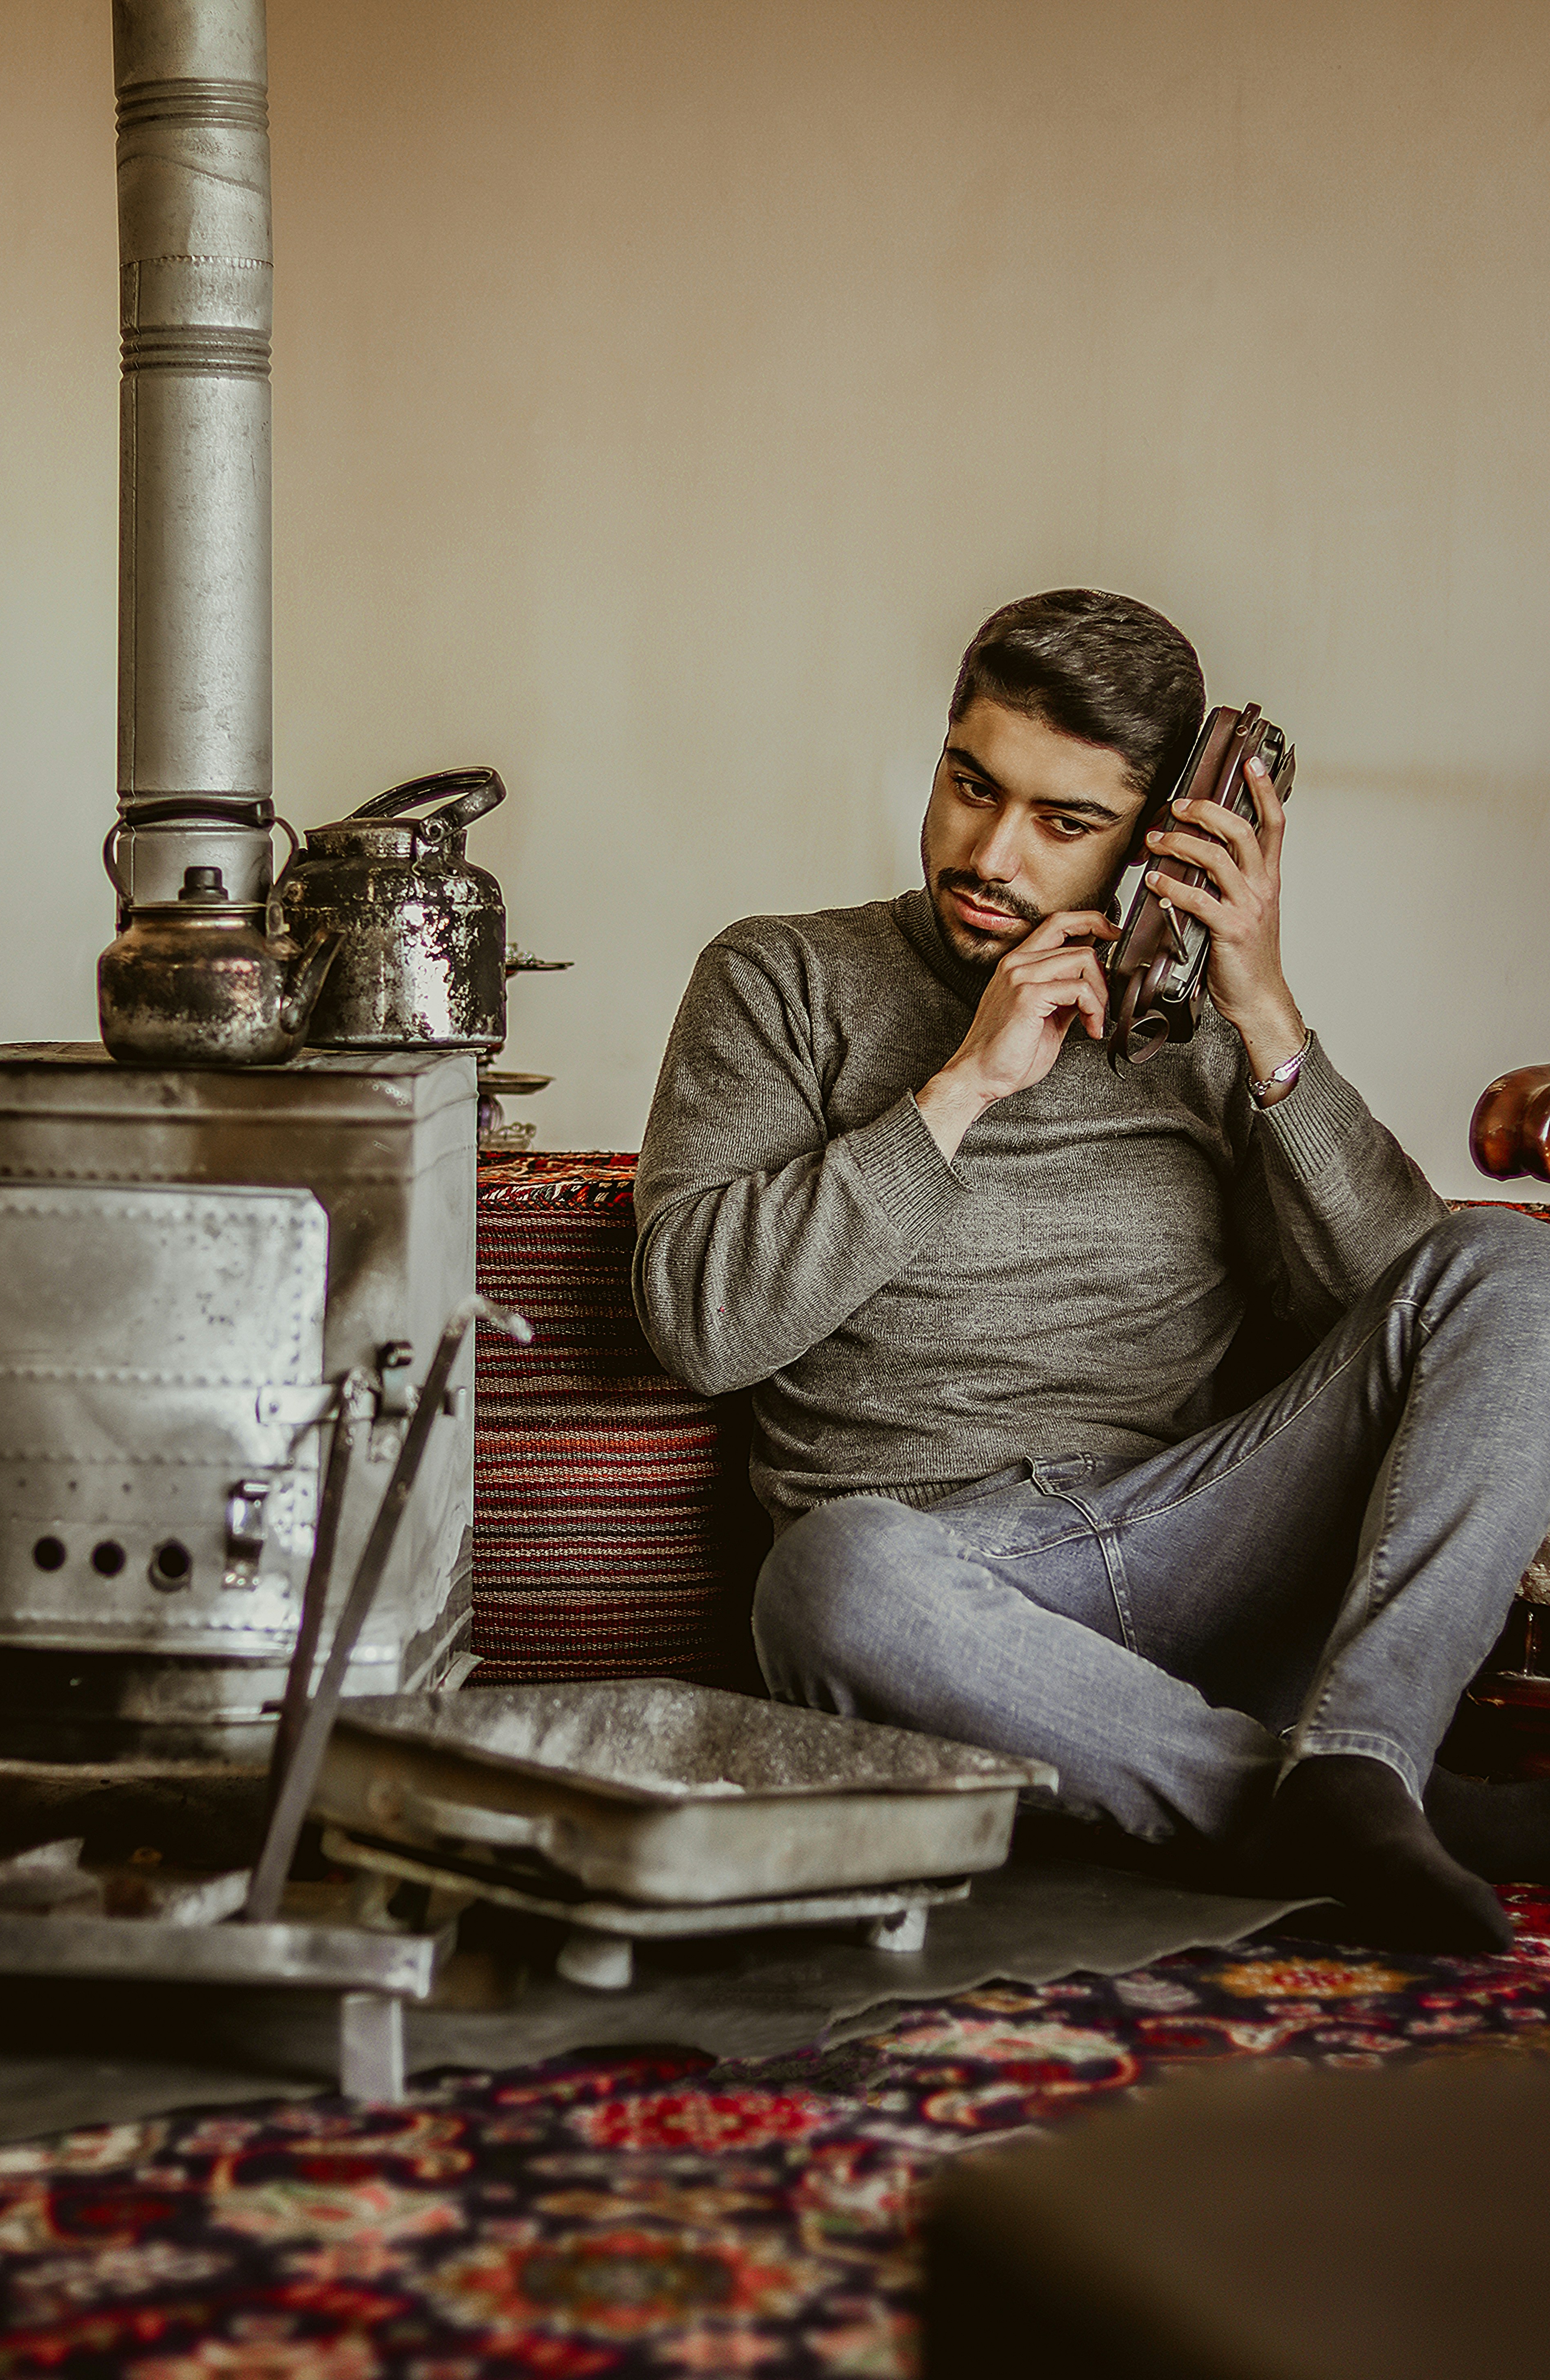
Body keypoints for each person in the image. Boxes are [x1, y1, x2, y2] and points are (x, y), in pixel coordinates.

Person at [631, 588, 1550, 1955]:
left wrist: (1264, 1012)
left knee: (1514, 1265)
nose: (991, 855)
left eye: (1065, 825)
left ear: (1155, 840)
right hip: (950, 1601)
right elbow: (701, 1325)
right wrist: (962, 1089)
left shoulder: (1207, 1036)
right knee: (826, 1578)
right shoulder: (782, 979)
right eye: (970, 787)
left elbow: (1422, 1325)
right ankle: (1337, 1801)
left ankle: (1359, 1760)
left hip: (1204, 1547)